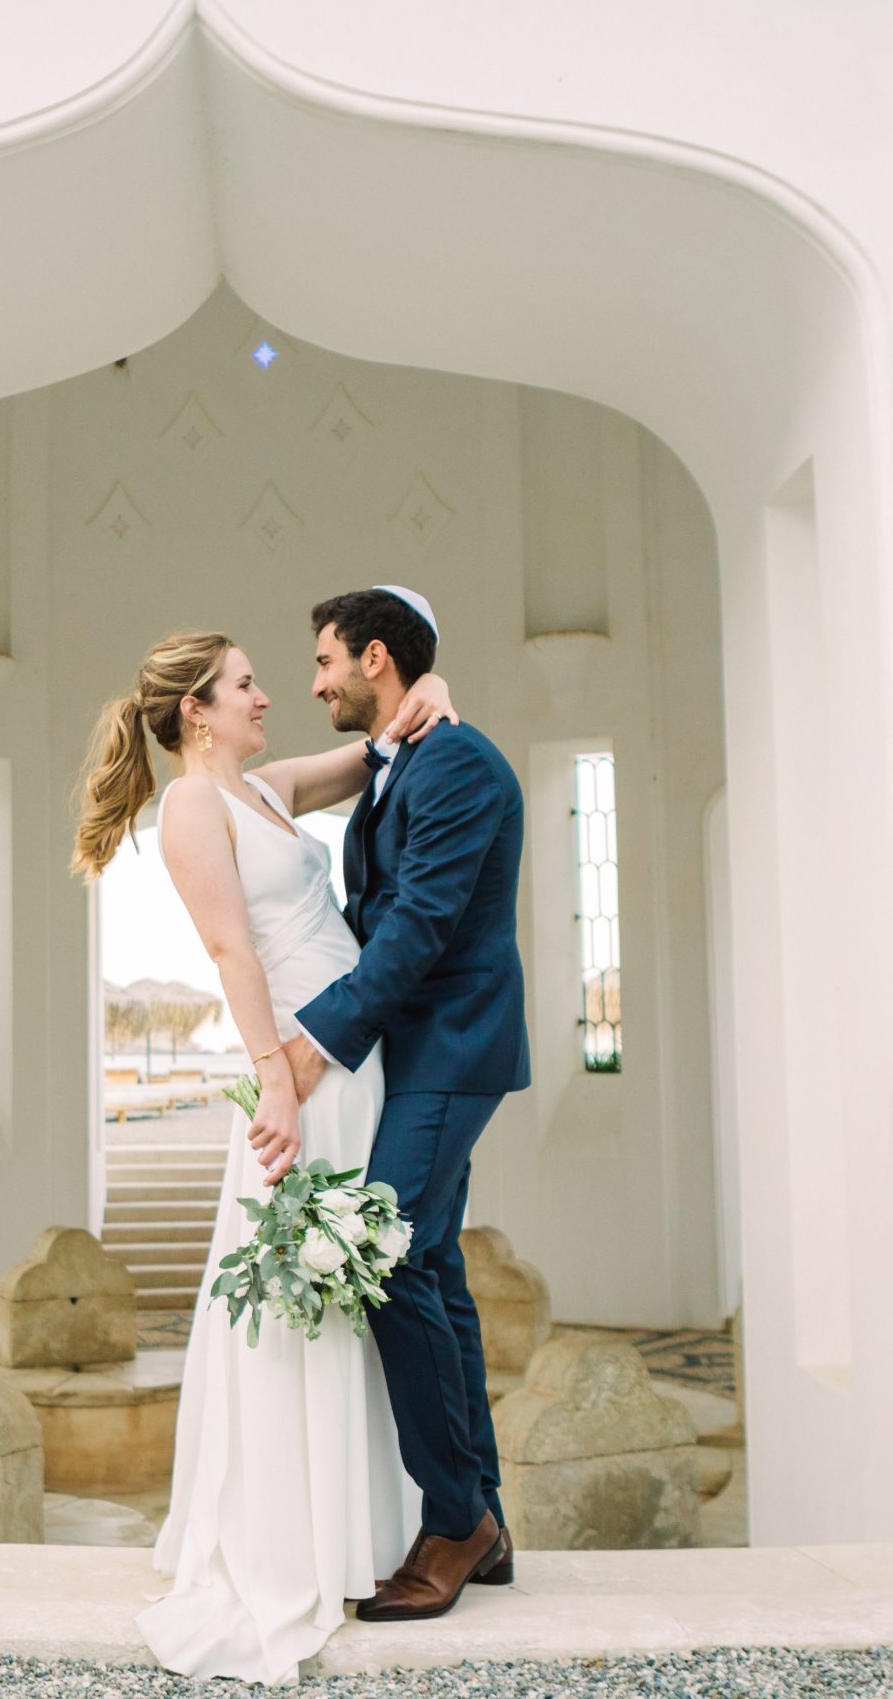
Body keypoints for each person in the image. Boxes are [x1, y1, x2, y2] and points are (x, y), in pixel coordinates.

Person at [71, 625, 456, 1685]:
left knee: (354, 1278)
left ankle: (355, 1527)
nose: (265, 696)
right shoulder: (188, 805)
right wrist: (276, 1076)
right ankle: (289, 1536)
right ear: (196, 708)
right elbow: (231, 946)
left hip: (348, 1045)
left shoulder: (270, 785)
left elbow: (379, 745)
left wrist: (426, 689)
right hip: (302, 1059)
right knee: (306, 1284)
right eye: (244, 684)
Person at [283, 586, 529, 1625]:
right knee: (432, 1262)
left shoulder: (460, 763)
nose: (315, 682)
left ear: (373, 656)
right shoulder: (406, 755)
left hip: (450, 1045)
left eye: (327, 661)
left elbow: (421, 925)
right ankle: (484, 1515)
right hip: (418, 1049)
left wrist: (314, 1040)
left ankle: (452, 1516)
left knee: (380, 1255)